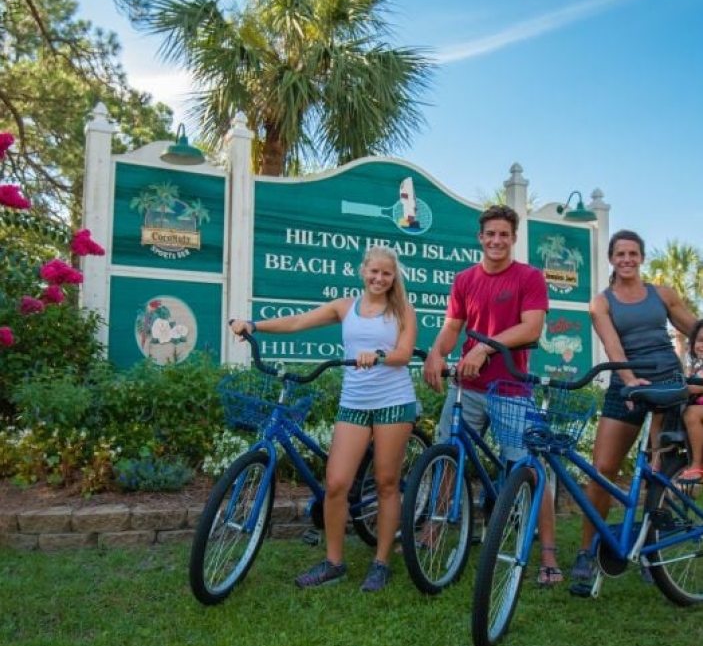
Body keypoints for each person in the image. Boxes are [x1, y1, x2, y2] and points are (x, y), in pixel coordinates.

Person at [230, 245, 417, 592]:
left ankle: (381, 563)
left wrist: (379, 355)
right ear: (363, 271)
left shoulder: (403, 309)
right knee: (336, 483)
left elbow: (404, 353)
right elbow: (299, 321)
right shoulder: (346, 307)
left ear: (394, 277)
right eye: (373, 272)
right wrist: (254, 325)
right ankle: (334, 563)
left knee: (387, 482)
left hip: (393, 401)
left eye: (386, 274)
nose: (379, 278)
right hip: (354, 403)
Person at [423, 204, 563, 585]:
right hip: (466, 388)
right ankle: (434, 530)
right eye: (491, 234)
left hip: (511, 389)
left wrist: (484, 347)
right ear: (480, 238)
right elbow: (453, 327)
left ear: (513, 238)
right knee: (447, 458)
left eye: (504, 234)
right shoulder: (465, 279)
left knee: (530, 469)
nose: (497, 240)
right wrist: (436, 353)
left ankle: (548, 553)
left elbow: (531, 328)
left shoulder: (529, 277)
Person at [571, 229, 698, 585]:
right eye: (620, 254)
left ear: (641, 257)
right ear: (611, 259)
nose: (627, 260)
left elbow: (694, 329)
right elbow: (613, 347)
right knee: (602, 469)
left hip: (668, 385)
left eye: (633, 253)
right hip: (626, 385)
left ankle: (649, 550)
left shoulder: (662, 294)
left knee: (657, 470)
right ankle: (586, 551)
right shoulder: (602, 302)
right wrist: (629, 381)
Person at [681, 319, 703, 483]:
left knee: (691, 413)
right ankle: (657, 457)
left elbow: (696, 388)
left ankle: (697, 463)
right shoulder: (698, 370)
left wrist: (686, 388)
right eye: (701, 340)